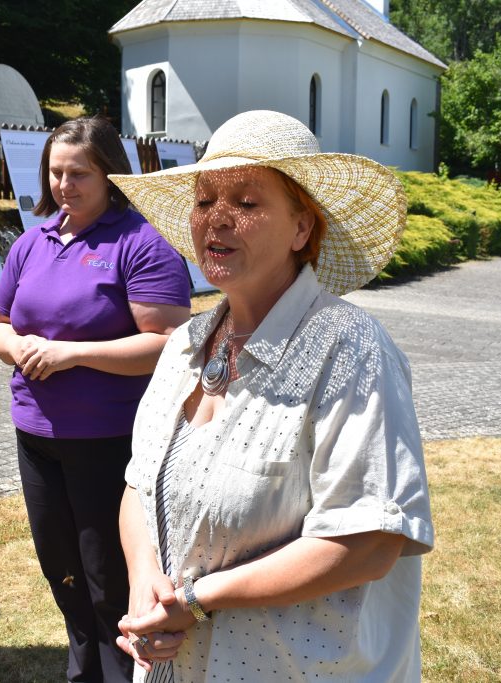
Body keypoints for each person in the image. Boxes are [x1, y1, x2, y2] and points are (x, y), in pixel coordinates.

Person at [107, 110, 434, 682]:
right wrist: (144, 584)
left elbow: (369, 541)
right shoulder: (185, 343)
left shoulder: (351, 349)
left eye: (247, 202)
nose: (218, 219)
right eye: (205, 200)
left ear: (302, 228)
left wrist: (196, 599)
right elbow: (138, 485)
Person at [0, 117, 192, 682]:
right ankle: (83, 671)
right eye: (55, 172)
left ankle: (126, 671)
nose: (63, 185)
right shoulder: (33, 242)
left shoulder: (140, 243)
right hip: (37, 435)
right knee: (63, 571)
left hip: (107, 440)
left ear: (110, 174)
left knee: (108, 578)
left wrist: (71, 354)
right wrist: (17, 345)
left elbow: (168, 343)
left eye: (78, 173)